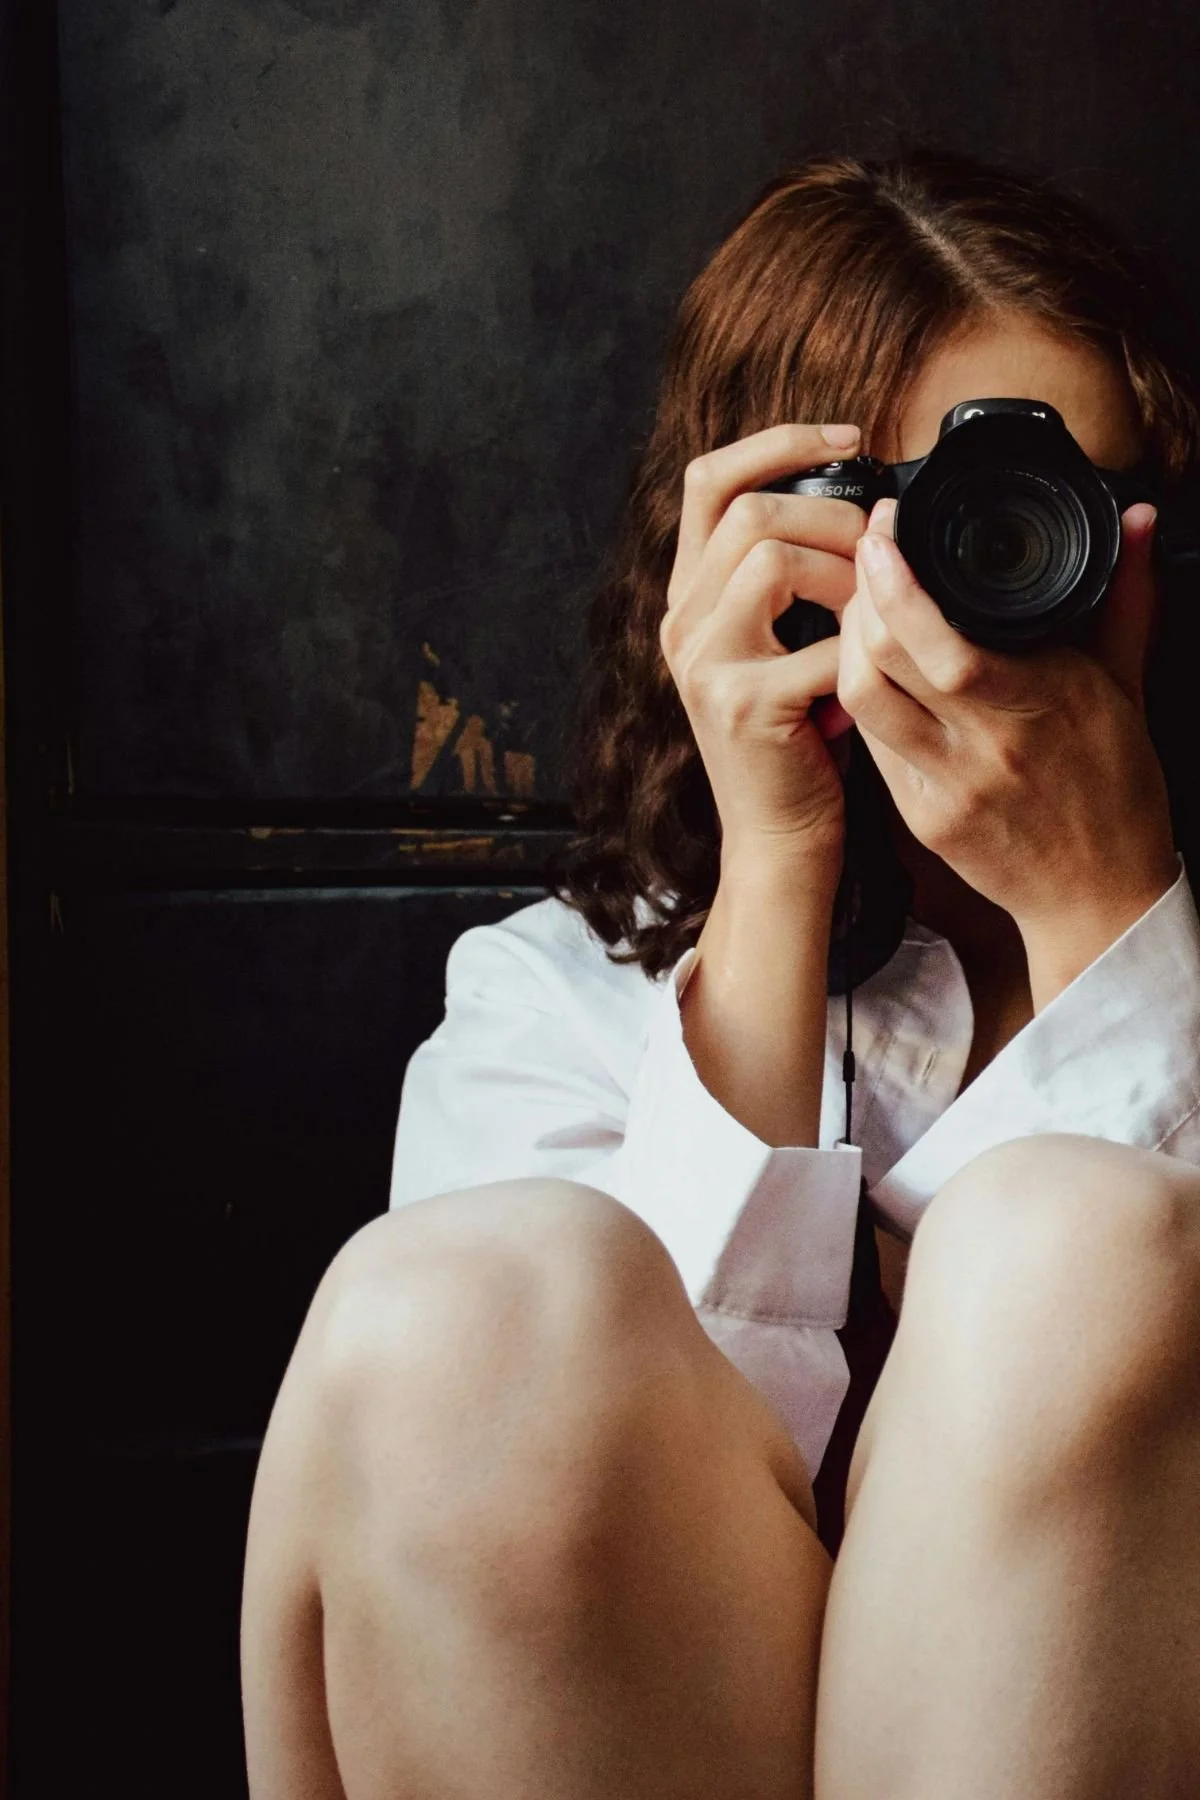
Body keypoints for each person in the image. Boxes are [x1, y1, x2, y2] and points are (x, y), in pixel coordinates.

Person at [241, 152, 1200, 1799]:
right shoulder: (549, 1009)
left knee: (1086, 1242)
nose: (975, 595)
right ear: (748, 543)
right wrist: (775, 863)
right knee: (461, 1299)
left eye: (1050, 513)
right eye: (911, 524)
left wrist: (1115, 926)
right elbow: (583, 1521)